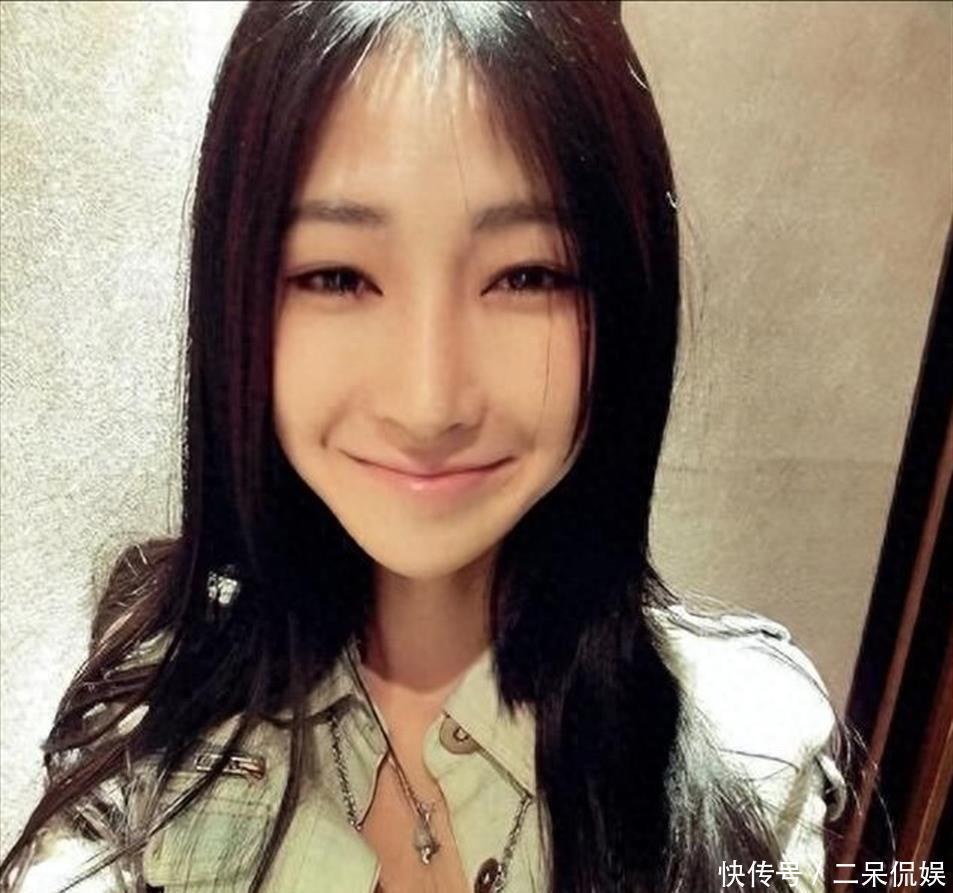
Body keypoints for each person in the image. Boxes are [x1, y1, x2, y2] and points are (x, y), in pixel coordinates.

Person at [0, 2, 848, 892]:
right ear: (236, 294)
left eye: (527, 275)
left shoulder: (747, 737)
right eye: (337, 275)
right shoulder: (153, 706)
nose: (427, 402)